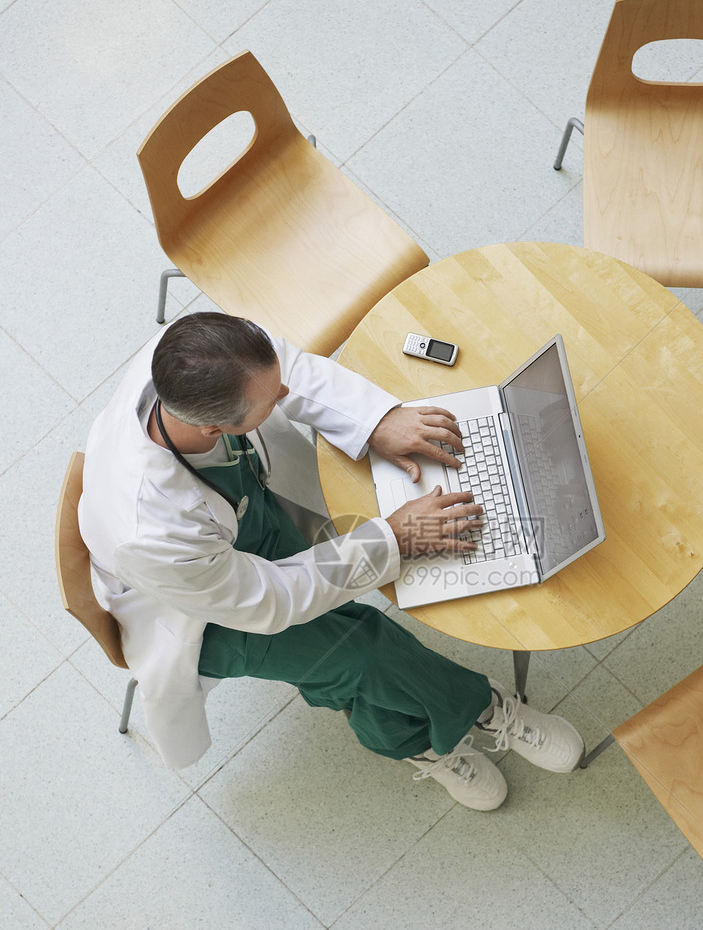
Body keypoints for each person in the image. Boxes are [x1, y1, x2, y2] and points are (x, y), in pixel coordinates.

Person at [79, 312, 585, 810]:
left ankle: (413, 737)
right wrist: (394, 539)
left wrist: (377, 421)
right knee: (361, 656)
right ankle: (480, 711)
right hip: (202, 611)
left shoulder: (186, 351)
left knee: (367, 659)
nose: (284, 396)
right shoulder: (151, 531)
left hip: (239, 530)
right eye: (272, 401)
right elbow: (270, 602)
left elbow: (286, 371)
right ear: (214, 426)